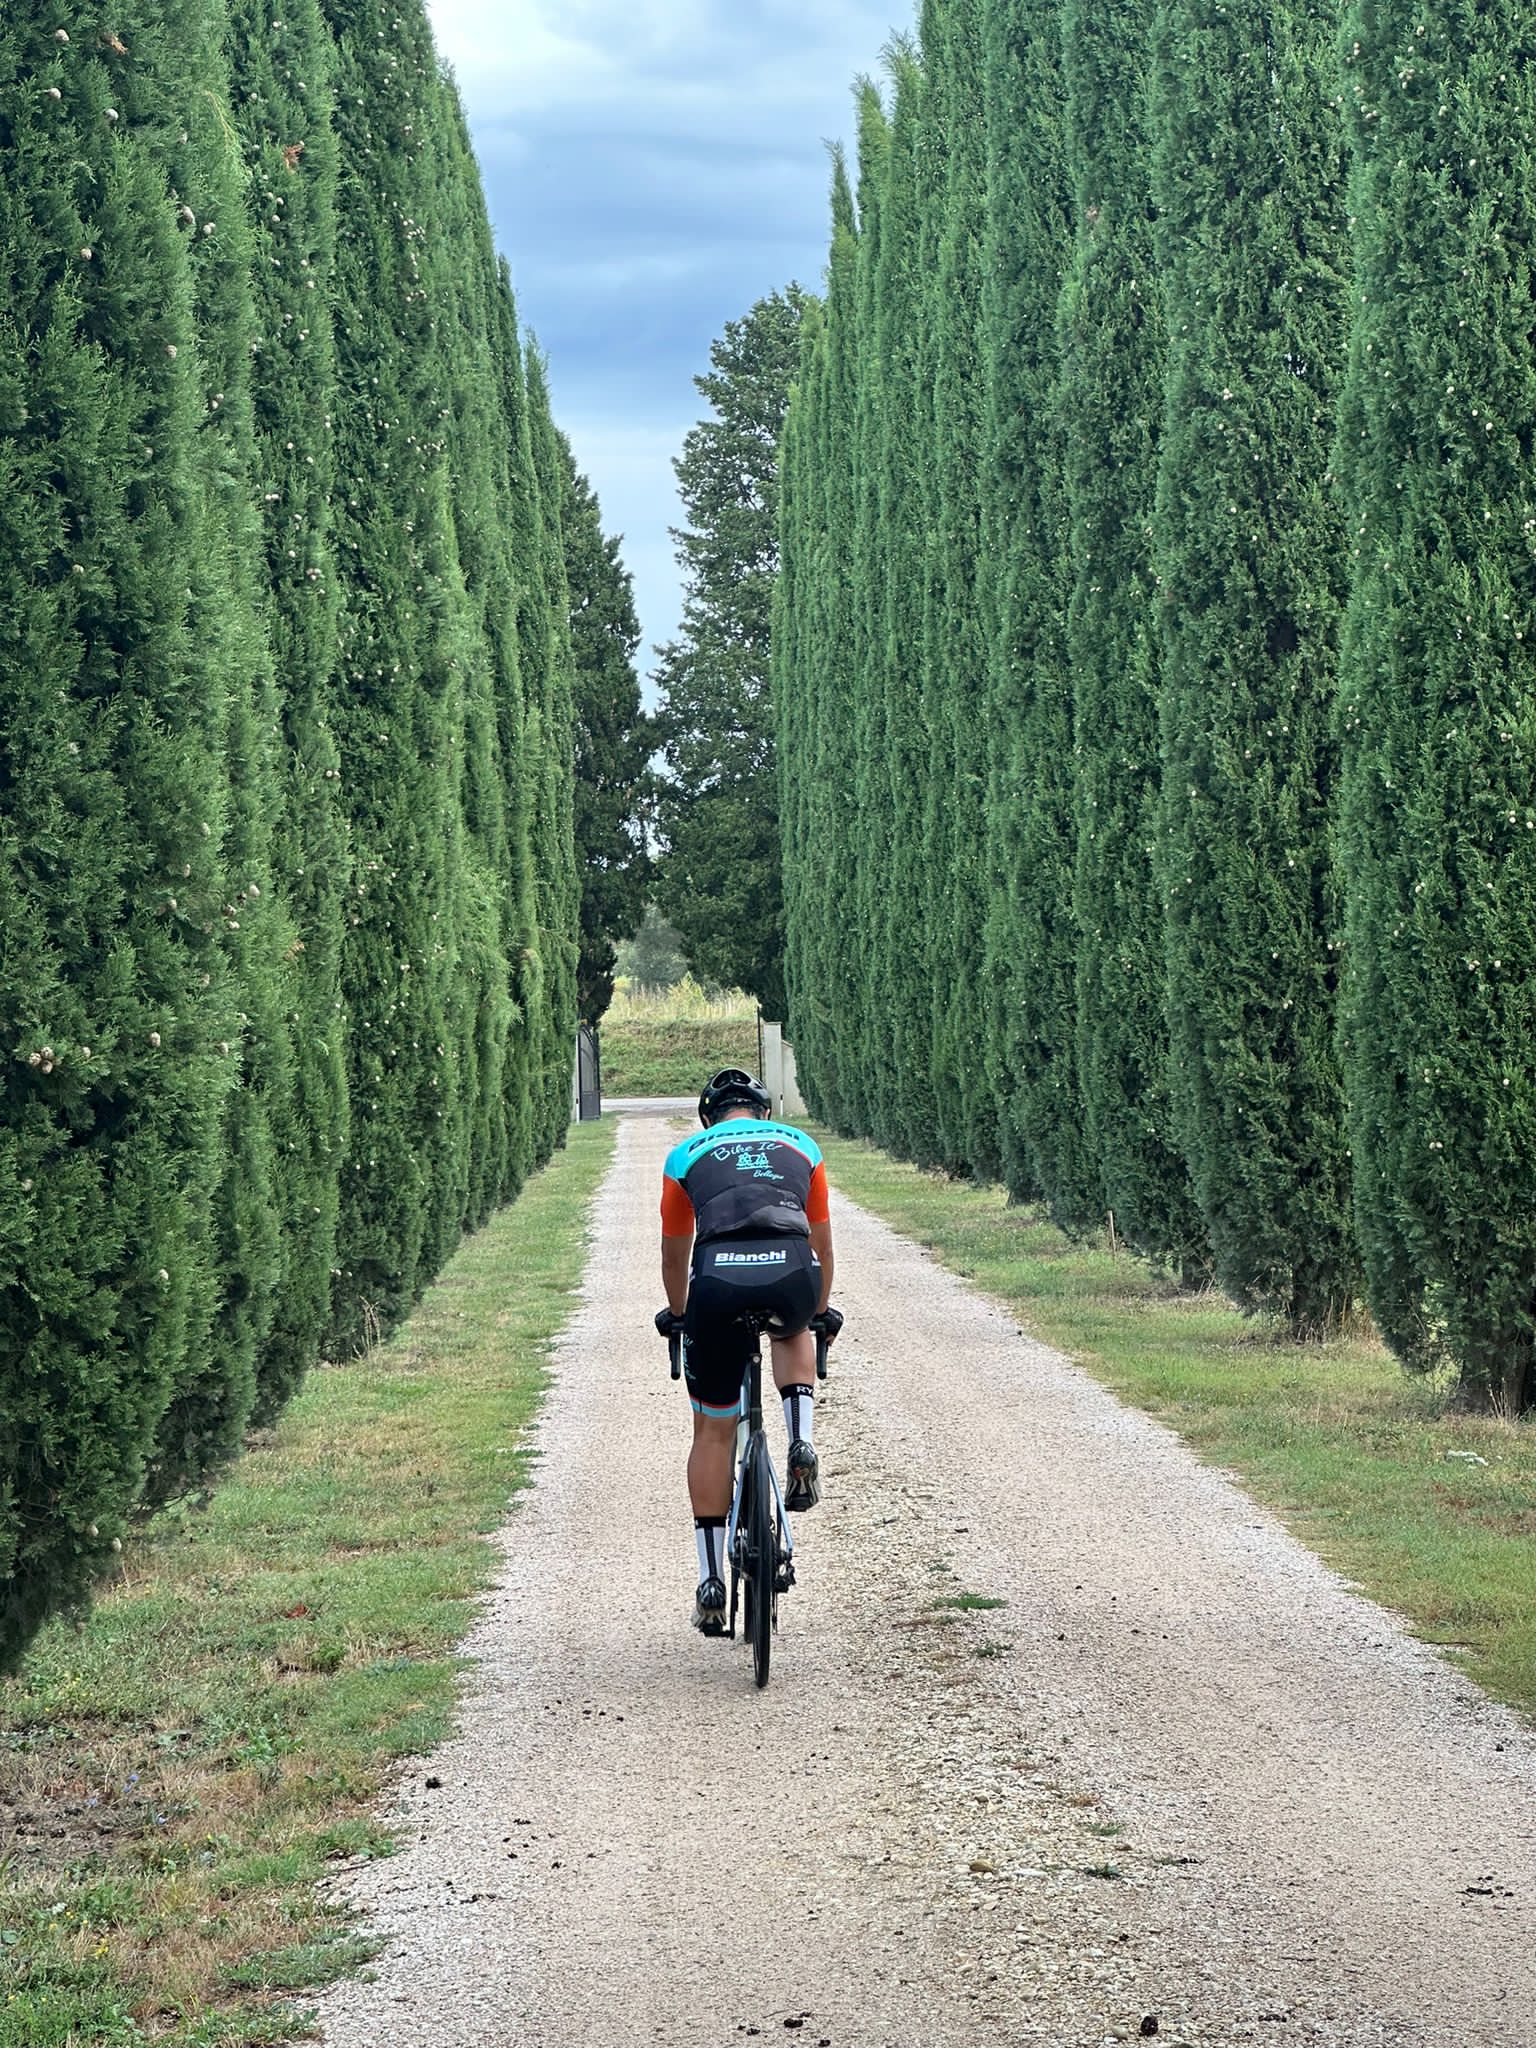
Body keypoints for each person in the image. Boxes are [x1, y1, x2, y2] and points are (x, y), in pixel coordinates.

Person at [656, 1068, 839, 1634]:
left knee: (711, 1431)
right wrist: (820, 1310)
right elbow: (821, 1242)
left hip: (716, 1281)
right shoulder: (800, 1145)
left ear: (709, 1119)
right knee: (793, 1327)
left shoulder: (684, 1155)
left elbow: (674, 1251)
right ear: (762, 1113)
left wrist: (680, 1314)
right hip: (789, 1270)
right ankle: (801, 1440)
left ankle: (711, 1581)